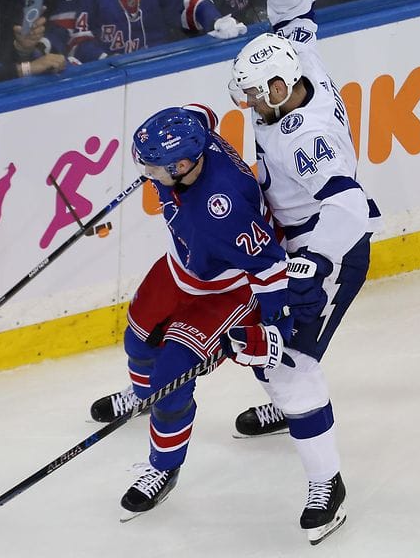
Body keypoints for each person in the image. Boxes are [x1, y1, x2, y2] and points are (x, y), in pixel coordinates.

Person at [225, 0, 381, 544]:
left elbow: (351, 205)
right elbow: (297, 8)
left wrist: (315, 259)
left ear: (277, 87)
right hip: (290, 243)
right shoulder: (297, 54)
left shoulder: (303, 137)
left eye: (251, 96)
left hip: (327, 253)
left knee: (289, 363)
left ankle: (327, 484)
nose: (246, 106)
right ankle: (292, 404)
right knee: (278, 356)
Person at [90, 104, 291, 520]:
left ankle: (163, 468)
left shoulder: (223, 211)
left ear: (183, 165)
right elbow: (200, 112)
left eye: (153, 168)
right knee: (137, 338)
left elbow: (271, 267)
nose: (147, 175)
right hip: (182, 267)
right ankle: (142, 398)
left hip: (225, 290)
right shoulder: (192, 140)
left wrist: (272, 329)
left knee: (171, 377)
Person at [67, 0, 247, 62]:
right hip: (113, 76)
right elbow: (79, 39)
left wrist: (215, 21)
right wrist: (106, 60)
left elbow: (188, 0)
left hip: (159, 65)